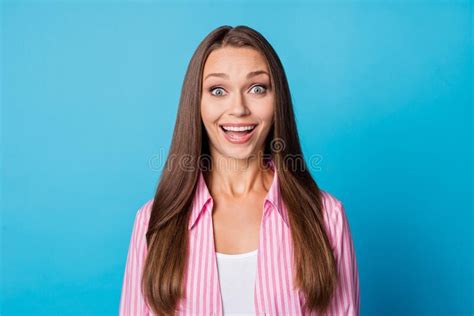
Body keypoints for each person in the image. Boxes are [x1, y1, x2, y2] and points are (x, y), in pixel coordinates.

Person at [119, 25, 360, 316]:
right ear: (197, 103)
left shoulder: (326, 217)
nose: (238, 108)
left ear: (277, 100)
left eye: (257, 88)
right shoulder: (152, 222)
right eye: (218, 90)